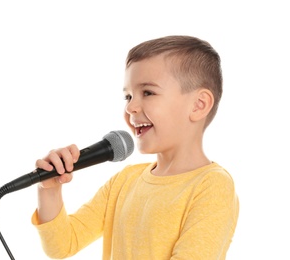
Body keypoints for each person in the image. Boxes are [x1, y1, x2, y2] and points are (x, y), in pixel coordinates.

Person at [31, 35, 239, 259]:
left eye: (148, 92)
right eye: (128, 96)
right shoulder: (124, 181)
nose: (130, 107)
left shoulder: (212, 186)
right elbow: (62, 245)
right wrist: (49, 190)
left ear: (198, 105)